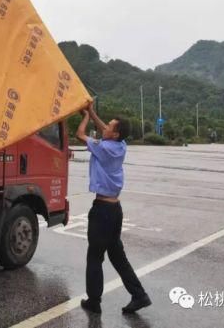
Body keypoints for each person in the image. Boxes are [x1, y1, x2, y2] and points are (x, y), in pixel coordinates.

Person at [76, 104, 151, 316]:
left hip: (102, 212)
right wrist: (91, 113)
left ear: (115, 134)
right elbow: (104, 130)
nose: (104, 128)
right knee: (117, 257)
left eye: (109, 126)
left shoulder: (105, 147)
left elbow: (80, 135)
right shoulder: (121, 144)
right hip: (115, 209)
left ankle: (94, 301)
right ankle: (139, 295)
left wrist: (84, 119)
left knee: (94, 257)